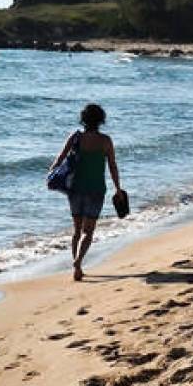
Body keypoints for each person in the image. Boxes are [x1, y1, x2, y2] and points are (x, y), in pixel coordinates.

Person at [49, 103, 122, 281]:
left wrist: (51, 174)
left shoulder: (76, 137)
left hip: (75, 189)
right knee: (88, 232)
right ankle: (78, 261)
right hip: (96, 189)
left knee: (76, 230)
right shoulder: (106, 140)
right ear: (101, 120)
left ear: (83, 119)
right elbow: (112, 165)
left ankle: (77, 267)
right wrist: (118, 188)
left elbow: (60, 159)